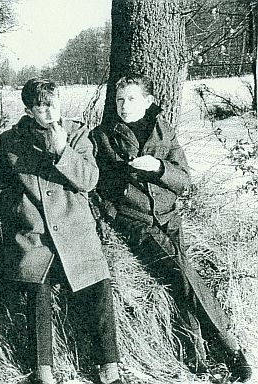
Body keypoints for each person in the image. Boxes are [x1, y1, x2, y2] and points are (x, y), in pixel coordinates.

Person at [91, 75, 252, 382]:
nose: (124, 106)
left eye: (132, 99)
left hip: (169, 217)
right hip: (137, 222)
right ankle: (231, 350)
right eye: (119, 100)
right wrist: (113, 211)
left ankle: (197, 360)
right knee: (181, 273)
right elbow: (96, 187)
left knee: (183, 279)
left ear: (148, 101)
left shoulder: (163, 130)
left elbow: (184, 181)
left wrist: (159, 168)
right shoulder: (103, 137)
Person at [0, 78, 123, 384]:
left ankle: (109, 365)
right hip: (35, 234)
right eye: (41, 106)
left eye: (53, 104)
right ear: (28, 110)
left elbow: (89, 179)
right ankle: (43, 369)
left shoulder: (76, 133)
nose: (49, 112)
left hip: (74, 228)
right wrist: (14, 207)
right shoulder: (12, 141)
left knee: (98, 285)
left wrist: (63, 151)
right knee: (37, 289)